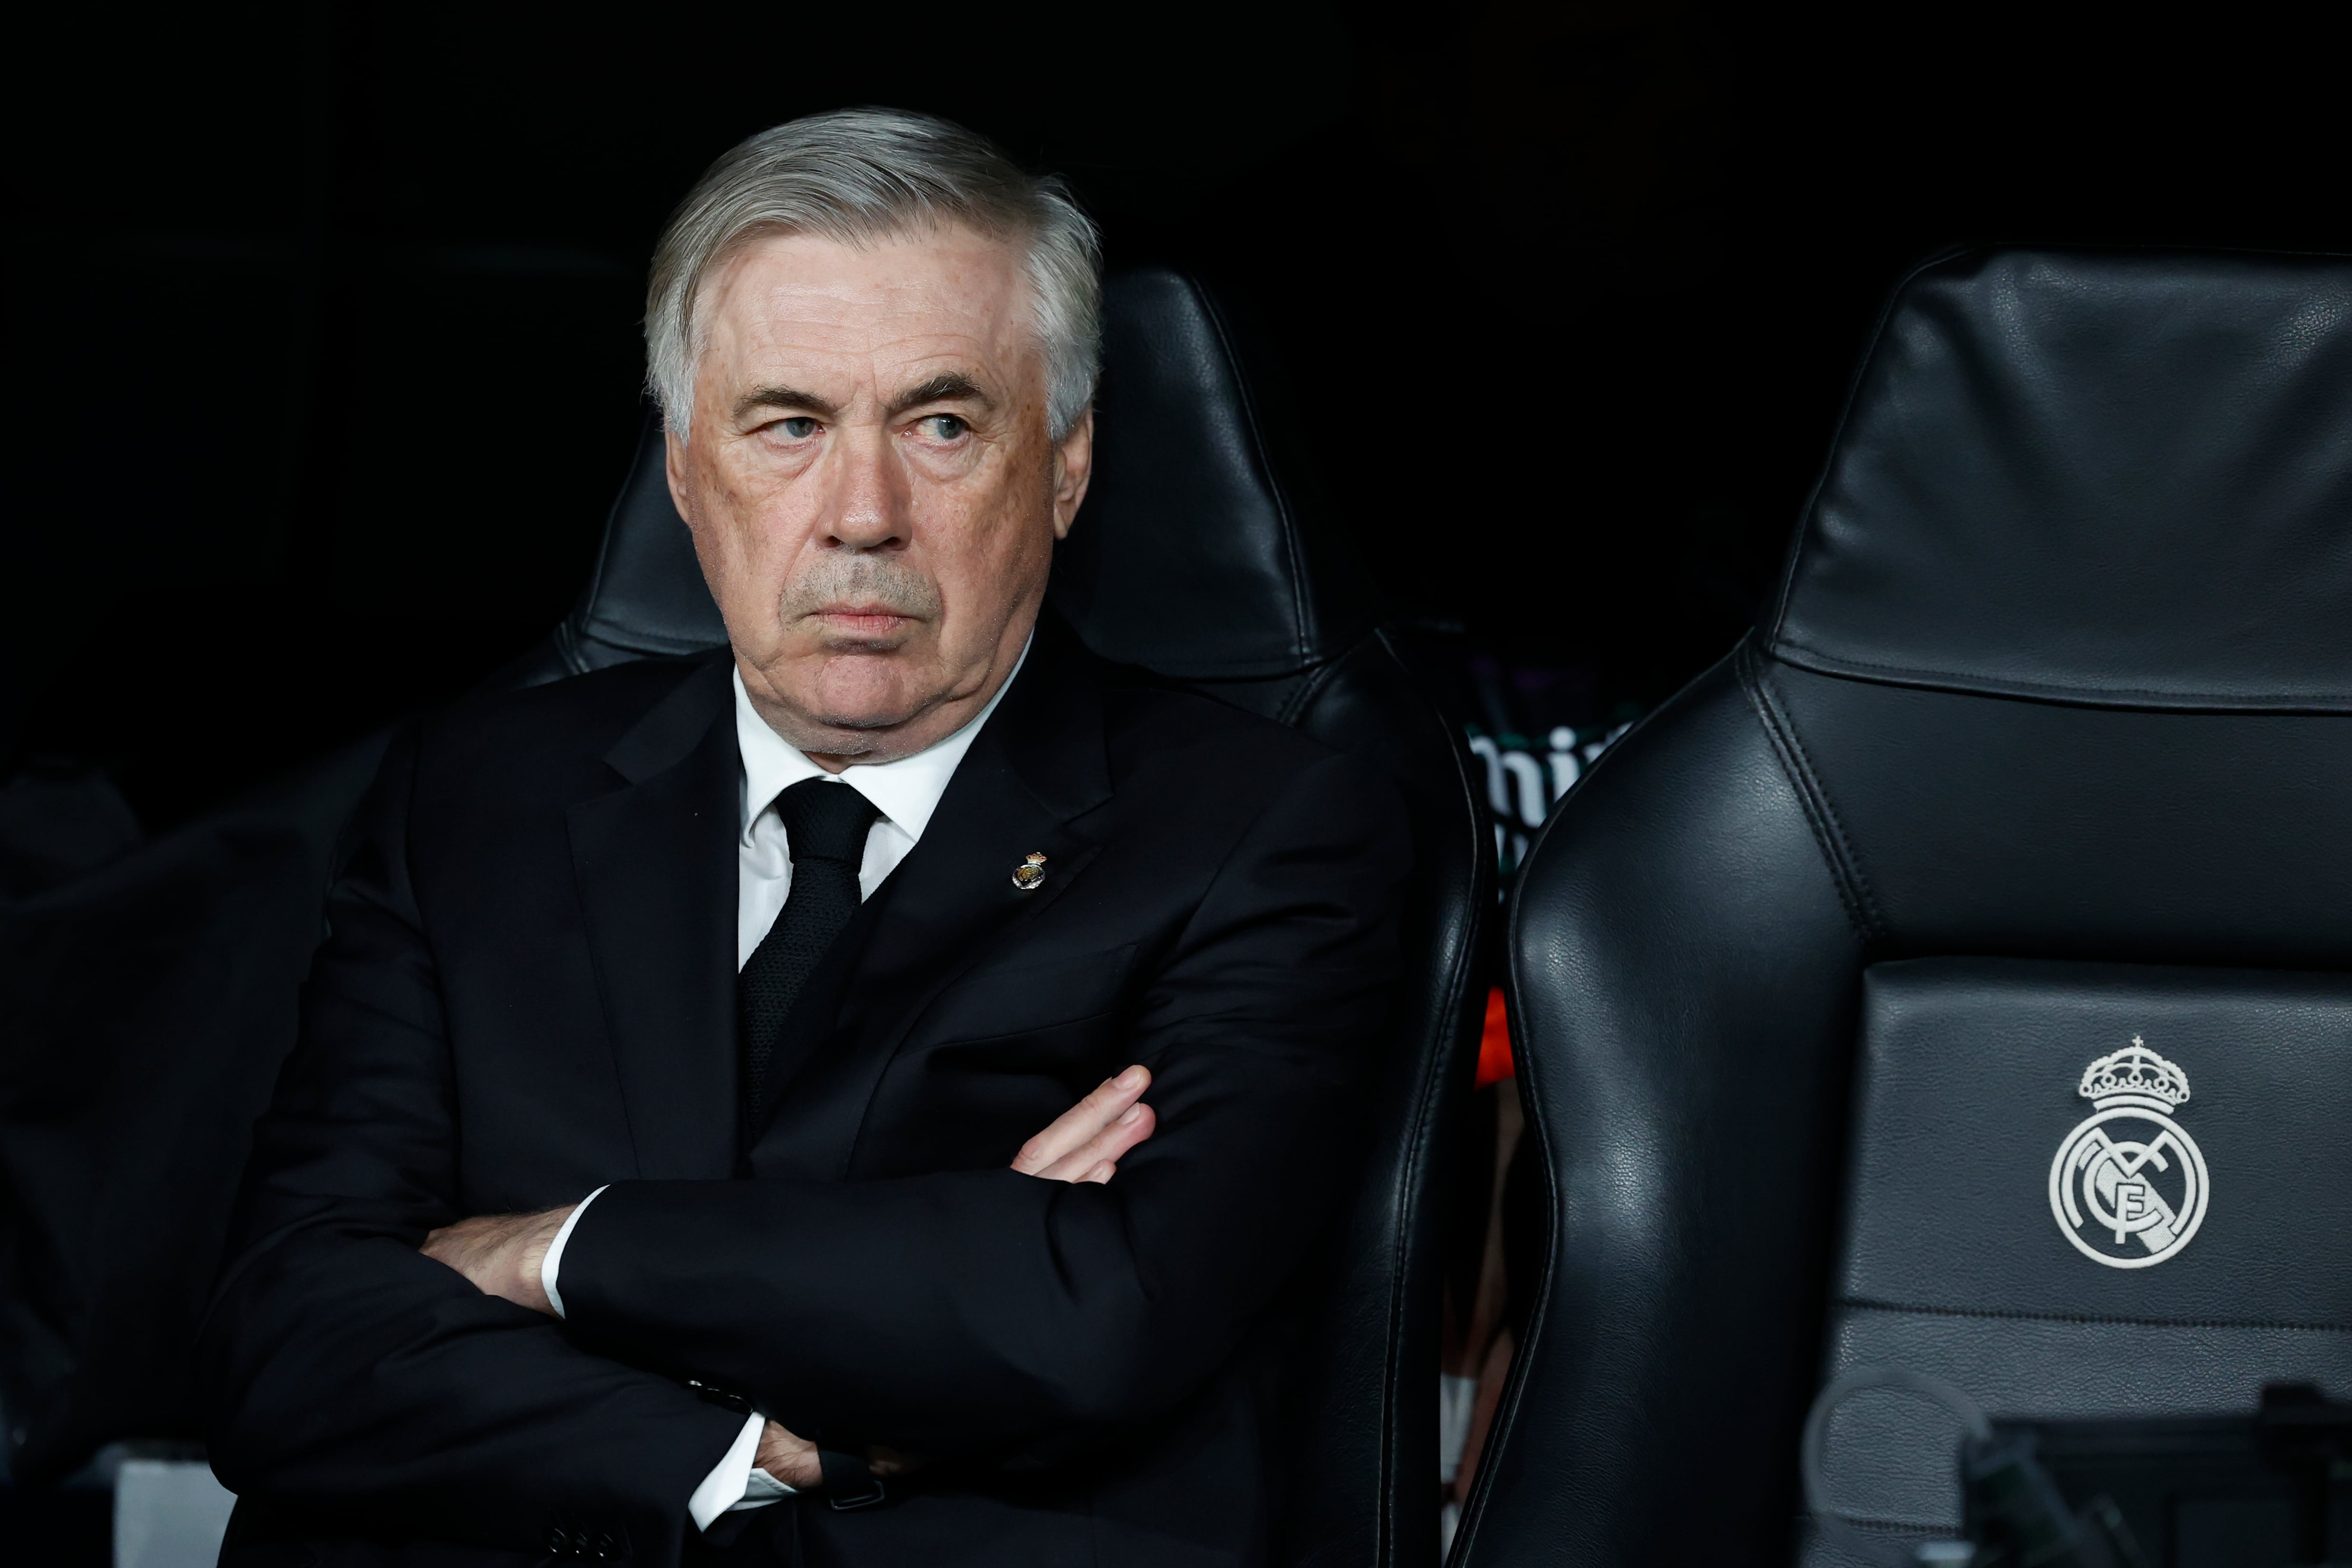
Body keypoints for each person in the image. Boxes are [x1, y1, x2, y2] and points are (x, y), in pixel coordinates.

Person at [197, 108, 1410, 1568]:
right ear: (688, 470)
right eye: (789, 424)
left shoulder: (1261, 825)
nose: (864, 516)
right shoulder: (477, 792)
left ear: (1068, 466)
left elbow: (1102, 1319)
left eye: (943, 423)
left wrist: (554, 1250)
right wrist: (789, 1414)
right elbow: (283, 1339)